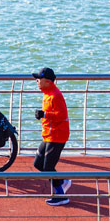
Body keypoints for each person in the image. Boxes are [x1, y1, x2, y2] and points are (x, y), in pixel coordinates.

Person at [32, 67, 71, 206]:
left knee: (48, 167)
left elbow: (61, 115)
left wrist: (44, 114)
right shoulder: (47, 93)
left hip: (57, 135)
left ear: (48, 81)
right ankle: (62, 182)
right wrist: (44, 115)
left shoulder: (55, 95)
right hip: (48, 134)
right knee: (38, 163)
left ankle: (60, 195)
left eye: (39, 79)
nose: (36, 81)